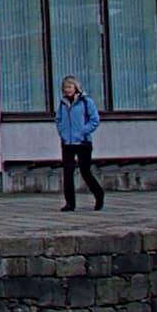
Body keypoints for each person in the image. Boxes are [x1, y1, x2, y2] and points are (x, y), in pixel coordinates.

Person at [55, 76, 105, 212]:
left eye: (70, 87)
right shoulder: (62, 103)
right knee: (68, 171)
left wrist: (83, 131)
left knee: (85, 171)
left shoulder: (86, 101)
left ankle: (99, 195)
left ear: (76, 88)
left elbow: (94, 120)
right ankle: (70, 203)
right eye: (65, 88)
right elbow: (59, 120)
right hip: (68, 142)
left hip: (83, 142)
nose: (67, 90)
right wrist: (63, 133)